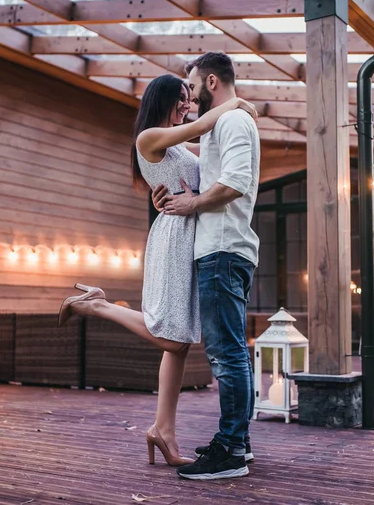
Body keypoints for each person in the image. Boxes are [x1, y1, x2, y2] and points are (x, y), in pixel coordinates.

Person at [57, 73, 257, 469]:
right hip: (173, 236)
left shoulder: (178, 143)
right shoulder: (148, 137)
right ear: (163, 99)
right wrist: (235, 103)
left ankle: (163, 430)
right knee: (171, 337)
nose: (187, 104)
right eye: (181, 98)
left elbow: (210, 151)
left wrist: (237, 119)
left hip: (191, 233)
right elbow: (204, 125)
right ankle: (97, 306)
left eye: (190, 96)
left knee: (179, 342)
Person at [152, 52, 261, 481]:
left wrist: (191, 203)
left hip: (222, 249)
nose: (190, 94)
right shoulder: (224, 122)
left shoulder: (233, 122)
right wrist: (167, 197)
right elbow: (184, 155)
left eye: (193, 86)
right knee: (231, 351)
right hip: (221, 249)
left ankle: (231, 450)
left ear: (211, 80)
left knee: (226, 353)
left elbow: (234, 182)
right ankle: (240, 442)